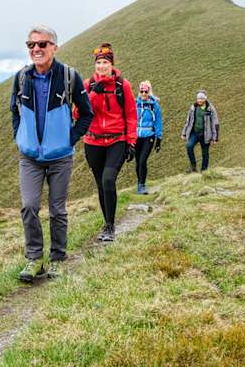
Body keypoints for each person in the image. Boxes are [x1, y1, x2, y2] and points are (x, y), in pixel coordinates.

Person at [11, 25, 93, 282]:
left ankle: (57, 259)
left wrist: (69, 138)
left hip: (60, 157)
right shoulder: (21, 77)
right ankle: (35, 259)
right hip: (30, 158)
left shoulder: (69, 76)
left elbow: (87, 113)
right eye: (31, 45)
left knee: (57, 210)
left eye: (42, 44)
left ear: (54, 47)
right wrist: (20, 137)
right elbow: (14, 110)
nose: (36, 49)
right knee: (29, 206)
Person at [80, 43, 137, 242]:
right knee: (100, 184)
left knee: (108, 180)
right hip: (93, 141)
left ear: (112, 64)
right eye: (99, 63)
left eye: (105, 62)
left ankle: (111, 227)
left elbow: (131, 114)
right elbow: (78, 113)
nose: (102, 66)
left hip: (116, 140)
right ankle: (106, 223)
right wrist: (94, 93)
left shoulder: (123, 85)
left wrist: (131, 142)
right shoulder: (87, 85)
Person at [134, 80, 163, 194]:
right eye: (141, 91)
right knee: (137, 162)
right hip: (136, 136)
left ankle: (142, 185)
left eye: (146, 91)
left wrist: (158, 139)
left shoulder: (154, 105)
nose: (143, 94)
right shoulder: (135, 104)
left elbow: (158, 122)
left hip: (149, 136)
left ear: (149, 92)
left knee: (142, 161)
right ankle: (139, 183)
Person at [180, 90, 219, 172]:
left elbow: (215, 123)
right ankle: (193, 166)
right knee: (189, 146)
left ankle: (204, 170)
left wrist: (215, 137)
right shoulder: (193, 107)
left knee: (205, 153)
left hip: (206, 134)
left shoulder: (210, 108)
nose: (200, 100)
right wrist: (184, 133)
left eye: (201, 99)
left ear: (205, 99)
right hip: (195, 133)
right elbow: (188, 121)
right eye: (198, 99)